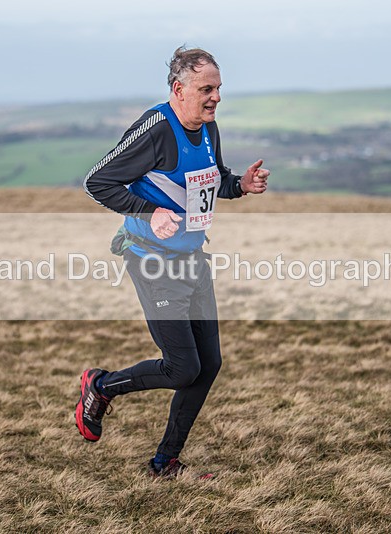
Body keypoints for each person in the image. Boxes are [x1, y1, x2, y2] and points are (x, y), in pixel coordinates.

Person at [76, 46, 270, 478]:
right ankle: (101, 386)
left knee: (209, 364)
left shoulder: (208, 127)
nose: (216, 96)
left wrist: (242, 184)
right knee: (182, 367)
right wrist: (150, 212)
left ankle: (165, 461)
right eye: (207, 88)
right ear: (179, 89)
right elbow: (97, 181)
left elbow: (212, 181)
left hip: (192, 260)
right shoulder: (156, 129)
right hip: (151, 260)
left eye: (219, 88)